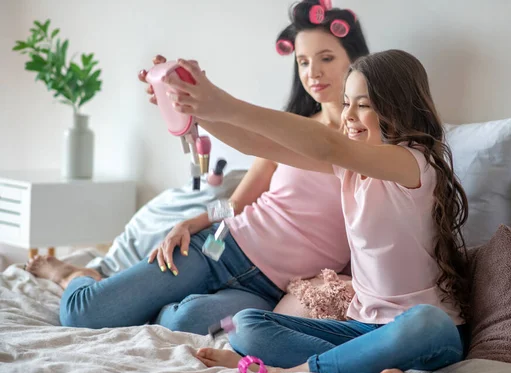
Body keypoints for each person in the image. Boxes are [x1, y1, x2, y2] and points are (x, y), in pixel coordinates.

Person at [25, 0, 369, 335]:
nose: (313, 72)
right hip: (219, 248)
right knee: (81, 312)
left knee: (181, 324)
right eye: (303, 61)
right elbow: (236, 202)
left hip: (266, 291)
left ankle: (145, 298)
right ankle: (72, 275)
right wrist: (190, 222)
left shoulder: (373, 149)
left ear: (356, 61)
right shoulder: (290, 127)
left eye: (326, 58)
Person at [160, 49, 471, 373]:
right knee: (244, 325)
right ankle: (376, 372)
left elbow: (328, 146)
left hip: (422, 333)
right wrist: (194, 108)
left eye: (363, 105)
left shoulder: (414, 162)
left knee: (427, 321)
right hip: (361, 328)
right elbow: (255, 146)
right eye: (346, 102)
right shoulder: (348, 167)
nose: (348, 116)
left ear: (399, 107)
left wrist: (224, 103)